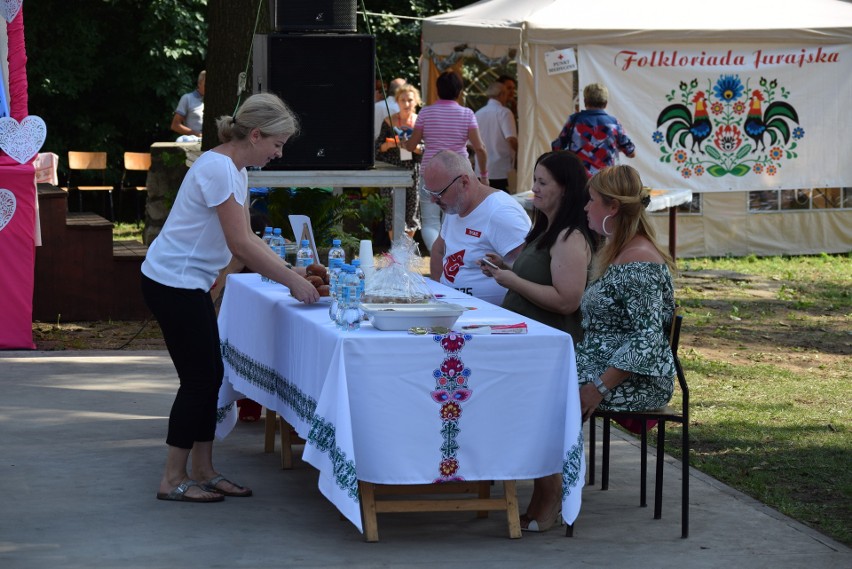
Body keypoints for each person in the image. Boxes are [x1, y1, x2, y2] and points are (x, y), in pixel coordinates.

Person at [141, 92, 320, 503]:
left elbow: (246, 239)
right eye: (276, 145)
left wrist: (288, 271)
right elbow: (240, 243)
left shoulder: (234, 167)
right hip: (173, 283)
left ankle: (203, 469)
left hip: (186, 283)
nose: (278, 154)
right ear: (255, 135)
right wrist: (291, 280)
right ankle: (172, 478)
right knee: (200, 379)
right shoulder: (220, 168)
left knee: (210, 376)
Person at [479, 150, 595, 532]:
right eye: (536, 180)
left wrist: (512, 281)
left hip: (551, 353)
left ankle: (550, 495)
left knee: (533, 421)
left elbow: (567, 299)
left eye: (543, 182)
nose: (535, 188)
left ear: (566, 188)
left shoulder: (569, 236)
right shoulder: (545, 229)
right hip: (528, 346)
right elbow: (543, 277)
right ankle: (535, 492)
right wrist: (508, 267)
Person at [425, 150, 529, 305]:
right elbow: (438, 250)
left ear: (464, 182)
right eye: (430, 192)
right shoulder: (455, 205)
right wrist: (440, 297)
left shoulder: (500, 212)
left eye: (438, 193)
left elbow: (529, 270)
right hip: (454, 311)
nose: (433, 200)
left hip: (491, 319)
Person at [403, 70, 488, 253]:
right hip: (460, 175)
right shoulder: (467, 114)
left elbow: (411, 146)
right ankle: (450, 259)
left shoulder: (425, 113)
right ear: (459, 92)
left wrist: (404, 142)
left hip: (431, 173)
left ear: (437, 90)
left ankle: (438, 257)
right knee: (455, 219)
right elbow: (480, 148)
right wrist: (484, 176)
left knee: (430, 222)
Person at [551, 83, 636, 176]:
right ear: (606, 103)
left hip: (578, 179)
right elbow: (631, 153)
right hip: (605, 181)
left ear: (585, 101)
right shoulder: (613, 123)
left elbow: (557, 147)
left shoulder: (574, 120)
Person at [375, 83, 424, 240]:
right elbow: (377, 148)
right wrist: (389, 144)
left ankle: (406, 251)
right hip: (391, 169)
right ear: (397, 102)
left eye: (410, 100)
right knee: (391, 210)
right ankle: (396, 250)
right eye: (403, 100)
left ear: (416, 102)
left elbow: (426, 149)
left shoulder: (419, 122)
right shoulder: (389, 121)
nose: (406, 103)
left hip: (411, 171)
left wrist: (413, 146)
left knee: (411, 211)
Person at [474, 81, 518, 192]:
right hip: (502, 170)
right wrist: (520, 154)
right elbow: (511, 139)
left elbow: (471, 144)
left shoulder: (477, 113)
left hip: (481, 170)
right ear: (501, 94)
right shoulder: (504, 112)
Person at [171, 70, 206, 140]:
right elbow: (175, 125)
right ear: (199, 84)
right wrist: (196, 134)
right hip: (194, 140)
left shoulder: (217, 100)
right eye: (206, 84)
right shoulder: (187, 98)